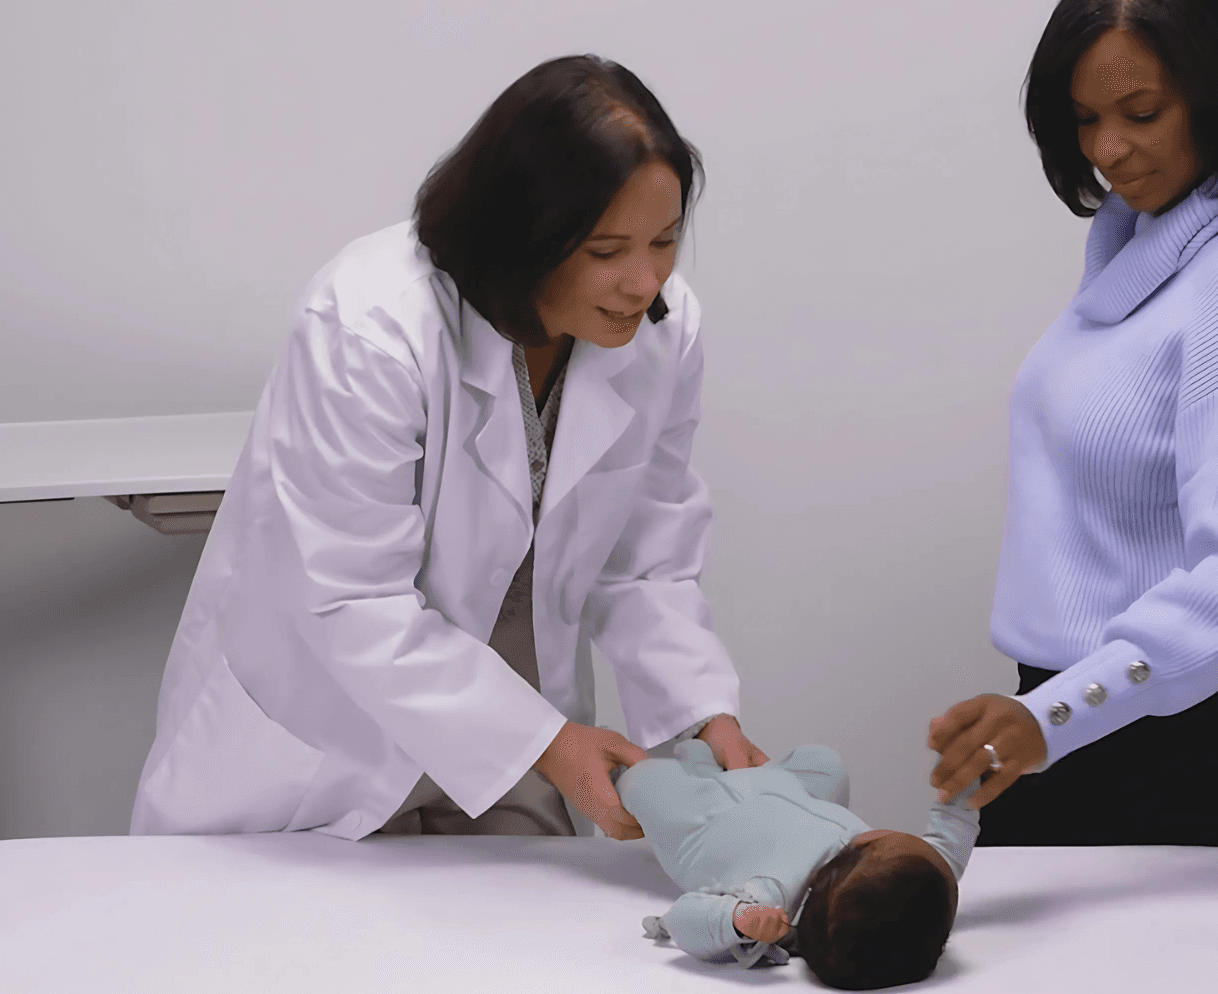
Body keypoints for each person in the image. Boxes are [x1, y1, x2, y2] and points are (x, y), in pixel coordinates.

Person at [130, 55, 768, 844]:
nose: (644, 282)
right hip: (326, 748)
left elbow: (644, 562)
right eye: (607, 252)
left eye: (665, 242)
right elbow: (352, 599)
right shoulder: (371, 323)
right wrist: (547, 744)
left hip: (512, 739)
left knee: (530, 955)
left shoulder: (661, 333)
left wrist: (703, 714)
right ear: (525, 234)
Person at [927, 0, 1218, 849]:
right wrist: (1046, 707)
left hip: (1172, 723)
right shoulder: (1153, 238)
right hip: (1094, 704)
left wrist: (1054, 716)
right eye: (1085, 118)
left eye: (1142, 112)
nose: (1108, 150)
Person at [615, 739, 981, 990]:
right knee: (824, 762)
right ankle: (704, 764)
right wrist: (962, 787)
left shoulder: (773, 897)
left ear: (865, 848)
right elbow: (946, 844)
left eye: (887, 838)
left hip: (702, 821)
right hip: (786, 792)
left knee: (641, 781)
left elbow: (683, 918)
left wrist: (737, 921)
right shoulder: (928, 880)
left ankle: (680, 768)